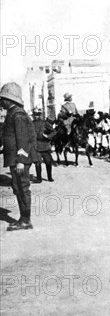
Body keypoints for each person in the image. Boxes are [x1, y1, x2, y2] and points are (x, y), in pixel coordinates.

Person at [0, 82, 41, 231]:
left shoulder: (17, 115)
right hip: (15, 159)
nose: (1, 101)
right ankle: (23, 218)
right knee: (18, 187)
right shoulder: (14, 113)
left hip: (19, 160)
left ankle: (25, 220)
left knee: (22, 188)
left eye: (3, 98)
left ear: (9, 99)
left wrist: (21, 161)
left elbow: (23, 139)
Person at [32, 107, 56, 183]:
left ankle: (49, 177)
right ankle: (39, 178)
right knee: (37, 163)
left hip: (45, 145)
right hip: (36, 146)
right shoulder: (31, 124)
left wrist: (48, 136)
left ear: (40, 115)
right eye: (35, 115)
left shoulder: (45, 123)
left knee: (48, 162)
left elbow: (54, 131)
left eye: (38, 115)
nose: (36, 116)